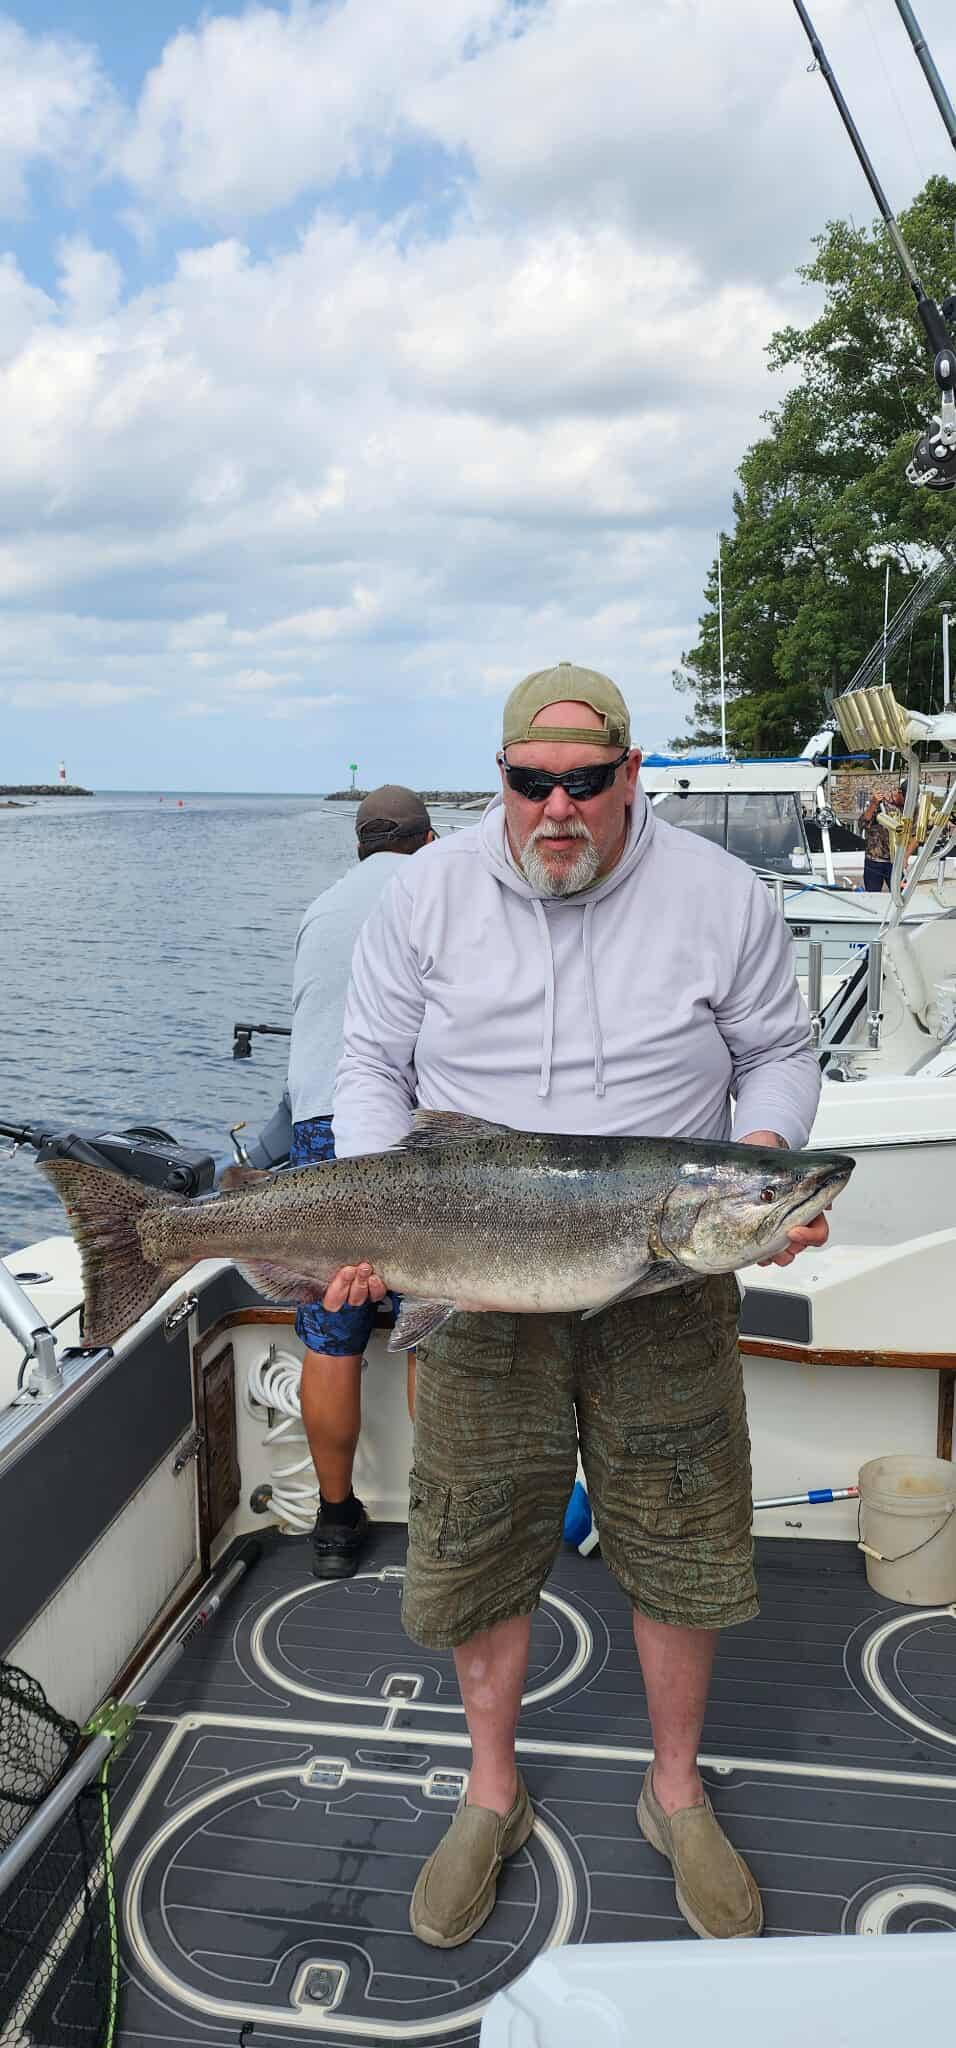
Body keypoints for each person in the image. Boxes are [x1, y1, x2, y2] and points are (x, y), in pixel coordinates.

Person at [322, 663, 827, 1944]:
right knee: (478, 1534)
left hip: (668, 1269)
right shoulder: (424, 895)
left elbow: (777, 1046)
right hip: (469, 1269)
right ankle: (488, 1788)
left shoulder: (721, 896)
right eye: (528, 782)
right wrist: (374, 1217)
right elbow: (372, 1061)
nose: (556, 806)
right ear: (496, 778)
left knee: (679, 1537)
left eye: (584, 782)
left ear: (628, 776)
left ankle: (672, 1790)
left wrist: (762, 1152)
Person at [287, 784, 435, 1578]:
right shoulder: (437, 887)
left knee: (331, 1335)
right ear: (429, 837)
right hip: (406, 1133)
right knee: (430, 1317)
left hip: (317, 1129)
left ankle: (335, 1519)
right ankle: (432, 1508)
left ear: (359, 846)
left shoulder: (319, 909)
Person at [860, 785, 905, 891]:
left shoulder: (906, 809)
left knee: (901, 893)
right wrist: (874, 804)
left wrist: (905, 856)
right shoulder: (880, 806)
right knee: (873, 895)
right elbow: (863, 823)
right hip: (874, 860)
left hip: (894, 861)